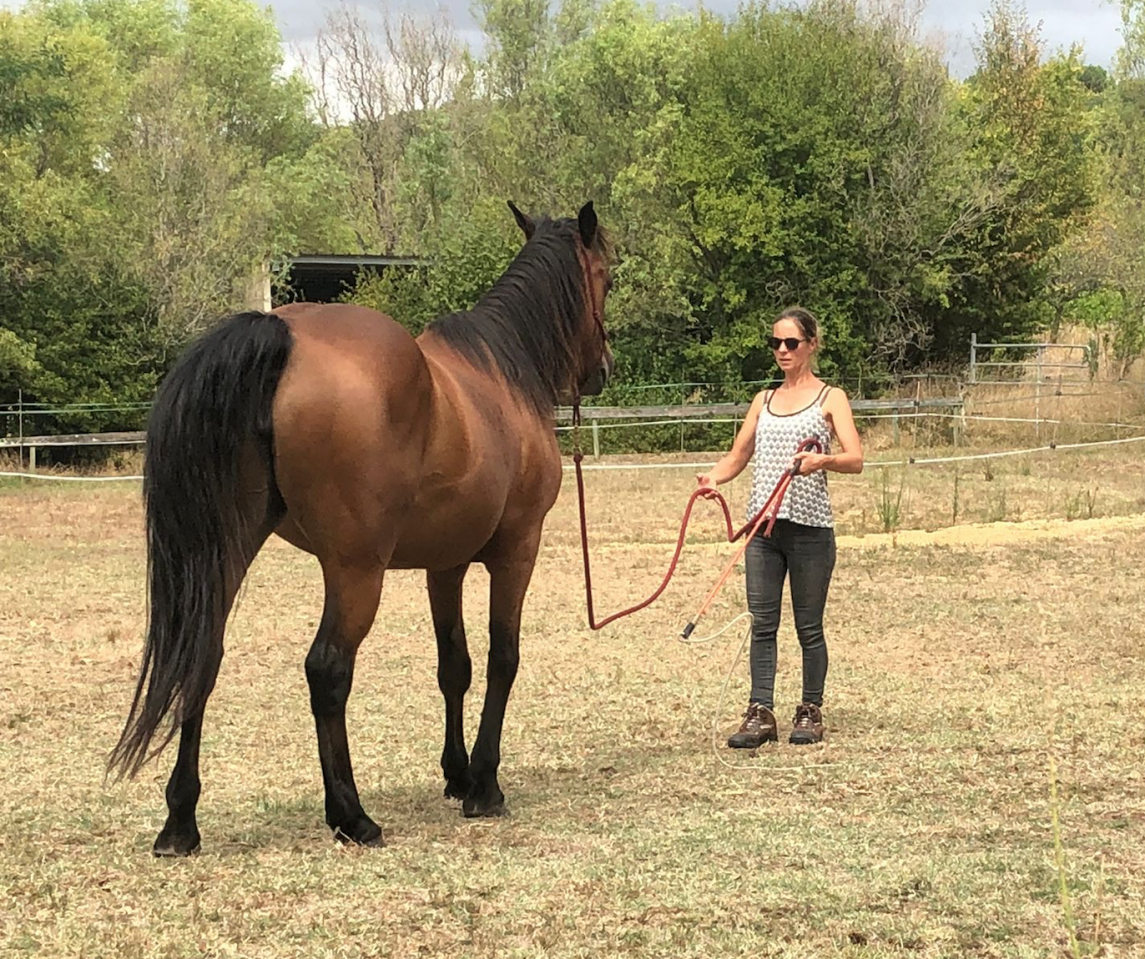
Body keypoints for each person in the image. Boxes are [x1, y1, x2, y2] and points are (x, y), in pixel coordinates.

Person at [695, 307, 863, 746]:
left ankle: (810, 709)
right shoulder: (762, 400)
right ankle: (760, 712)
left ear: (811, 345)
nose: (782, 351)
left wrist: (821, 461)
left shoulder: (832, 398)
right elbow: (738, 455)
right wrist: (713, 478)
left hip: (810, 529)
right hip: (763, 531)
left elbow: (856, 459)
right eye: (775, 343)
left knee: (809, 626)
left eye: (791, 343)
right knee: (762, 623)